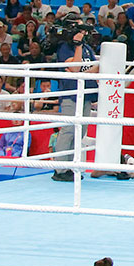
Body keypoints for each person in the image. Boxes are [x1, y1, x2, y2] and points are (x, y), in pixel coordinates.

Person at [52, 26, 98, 182]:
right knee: (68, 131)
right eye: (80, 30)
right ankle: (60, 169)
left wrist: (79, 74)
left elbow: (95, 67)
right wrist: (77, 46)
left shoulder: (87, 48)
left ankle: (70, 167)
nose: (83, 33)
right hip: (70, 93)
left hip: (86, 93)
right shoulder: (65, 48)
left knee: (80, 132)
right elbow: (75, 67)